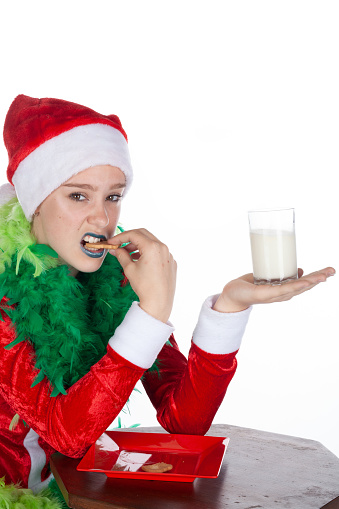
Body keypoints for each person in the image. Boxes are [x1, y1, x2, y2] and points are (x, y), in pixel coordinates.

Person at [0, 95, 335, 500]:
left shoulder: (115, 279)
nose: (102, 219)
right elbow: (67, 434)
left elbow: (184, 422)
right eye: (78, 196)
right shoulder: (6, 294)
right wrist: (152, 313)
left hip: (74, 495)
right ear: (35, 201)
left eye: (113, 195)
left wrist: (228, 308)